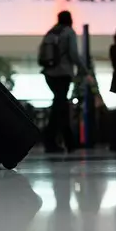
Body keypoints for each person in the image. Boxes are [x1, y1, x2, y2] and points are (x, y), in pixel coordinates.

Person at [41, 11, 91, 153]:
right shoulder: (69, 32)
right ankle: (52, 140)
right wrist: (85, 70)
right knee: (59, 107)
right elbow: (74, 54)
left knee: (60, 106)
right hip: (63, 74)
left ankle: (67, 142)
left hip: (49, 74)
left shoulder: (50, 32)